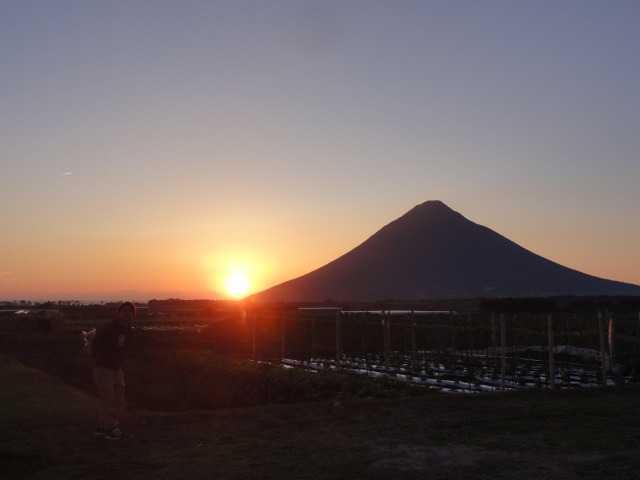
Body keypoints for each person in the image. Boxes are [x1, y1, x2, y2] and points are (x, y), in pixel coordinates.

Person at [91, 301, 136, 440]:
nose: (126, 312)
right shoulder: (110, 328)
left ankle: (101, 426)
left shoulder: (129, 331)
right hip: (104, 367)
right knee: (108, 398)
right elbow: (95, 343)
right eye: (124, 310)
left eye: (129, 311)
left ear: (133, 315)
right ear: (119, 313)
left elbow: (125, 348)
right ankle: (111, 427)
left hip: (117, 368)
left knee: (118, 397)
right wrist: (101, 357)